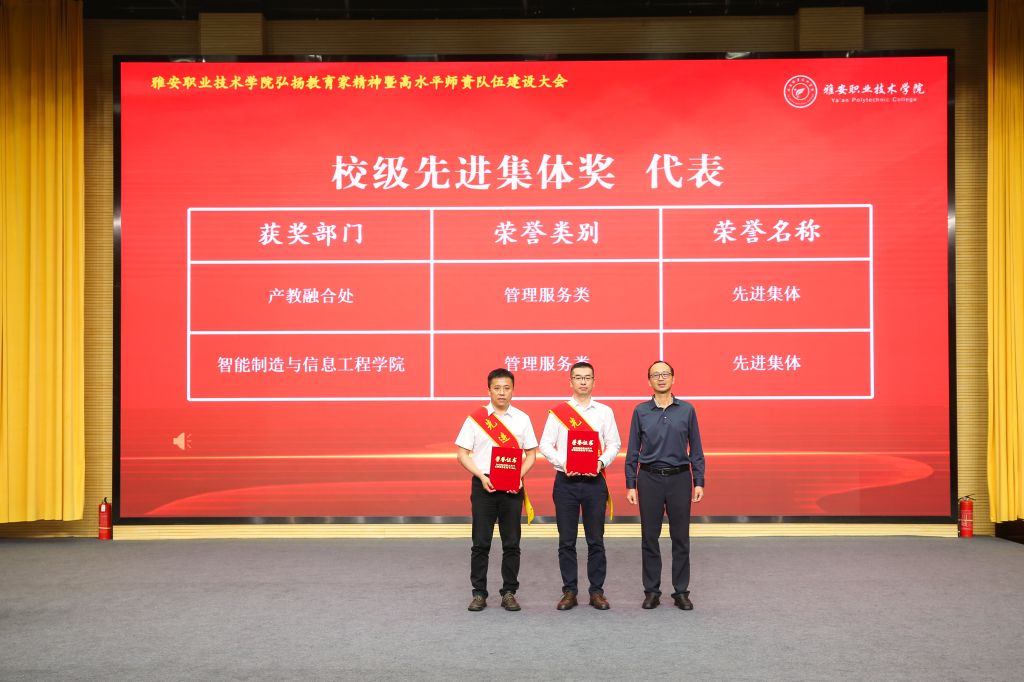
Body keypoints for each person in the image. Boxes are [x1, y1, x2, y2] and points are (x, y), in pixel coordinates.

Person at [539, 361, 621, 610]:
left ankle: (596, 592)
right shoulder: (558, 412)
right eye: (578, 377)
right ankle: (570, 591)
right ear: (570, 381)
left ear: (594, 381)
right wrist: (563, 463)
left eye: (587, 377)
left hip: (595, 482)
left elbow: (614, 444)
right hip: (566, 482)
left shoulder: (604, 411)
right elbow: (545, 444)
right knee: (567, 541)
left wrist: (600, 462)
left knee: (596, 540)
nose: (583, 382)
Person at [625, 360, 706, 610]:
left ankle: (681, 591)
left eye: (665, 374)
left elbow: (696, 448)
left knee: (680, 537)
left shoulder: (687, 410)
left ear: (673, 378)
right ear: (649, 381)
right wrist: (631, 483)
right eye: (655, 375)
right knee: (649, 537)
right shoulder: (640, 411)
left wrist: (699, 480)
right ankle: (652, 591)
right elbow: (632, 450)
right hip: (649, 479)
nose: (661, 378)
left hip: (680, 479)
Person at [456, 367, 538, 612]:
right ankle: (479, 593)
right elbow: (462, 454)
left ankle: (509, 592)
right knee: (481, 542)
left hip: (512, 487)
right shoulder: (475, 419)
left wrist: (518, 476)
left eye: (506, 388)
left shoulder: (522, 419)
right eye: (497, 388)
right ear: (489, 390)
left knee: (511, 542)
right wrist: (481, 476)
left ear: (513, 390)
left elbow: (531, 455)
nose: (502, 393)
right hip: (484, 485)